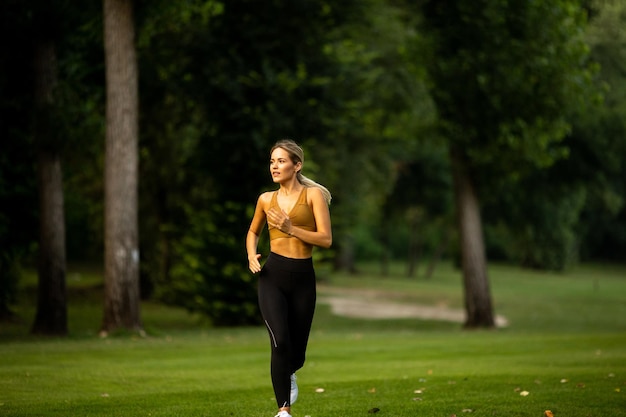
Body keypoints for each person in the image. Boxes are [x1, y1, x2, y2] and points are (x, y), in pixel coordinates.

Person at [246, 139, 332, 417]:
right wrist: (251, 255)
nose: (274, 166)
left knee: (297, 352)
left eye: (281, 161)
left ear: (297, 165)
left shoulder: (313, 196)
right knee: (279, 341)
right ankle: (283, 410)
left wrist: (291, 228)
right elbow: (253, 233)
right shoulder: (265, 199)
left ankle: (291, 370)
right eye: (272, 161)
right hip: (272, 276)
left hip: (303, 279)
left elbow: (326, 239)